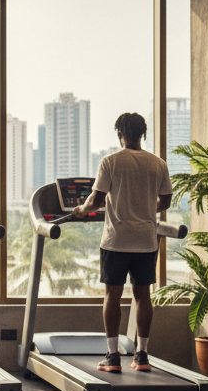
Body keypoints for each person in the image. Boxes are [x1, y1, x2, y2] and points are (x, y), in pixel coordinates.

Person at [72, 112, 172, 373]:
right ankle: (142, 356)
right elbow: (167, 201)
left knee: (112, 296)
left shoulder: (110, 162)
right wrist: (148, 210)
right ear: (143, 134)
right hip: (146, 241)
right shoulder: (158, 163)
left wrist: (81, 210)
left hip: (116, 241)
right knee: (143, 296)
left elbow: (95, 200)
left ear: (121, 134)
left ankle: (113, 357)